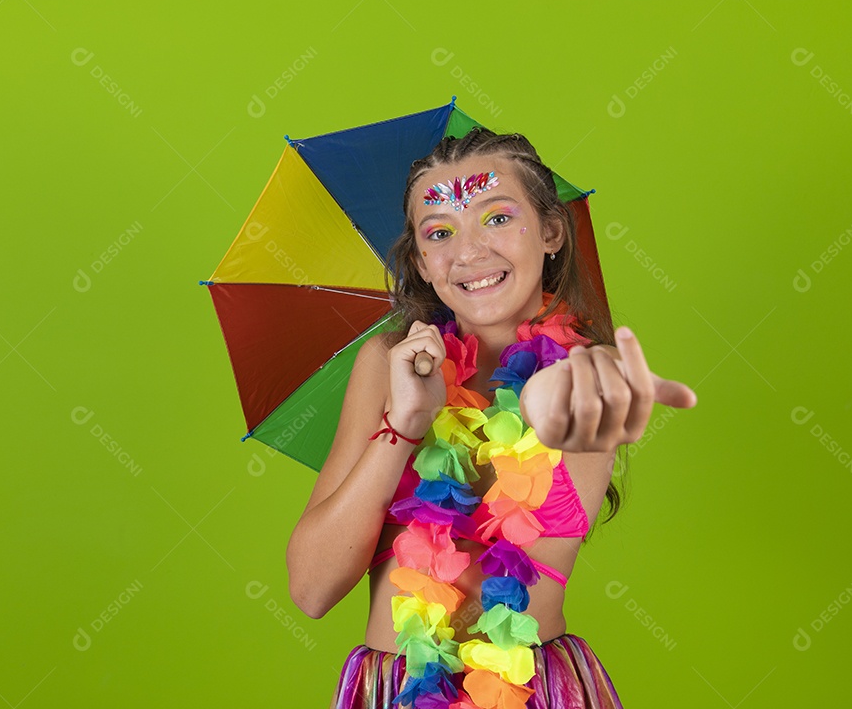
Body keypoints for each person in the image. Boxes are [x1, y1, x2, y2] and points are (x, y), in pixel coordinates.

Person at [287, 127, 697, 708]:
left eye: (498, 218)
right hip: (399, 692)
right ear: (421, 262)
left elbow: (569, 405)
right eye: (440, 233)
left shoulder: (585, 371)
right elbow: (311, 589)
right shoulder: (385, 363)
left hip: (527, 693)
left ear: (551, 232)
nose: (470, 252)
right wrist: (403, 426)